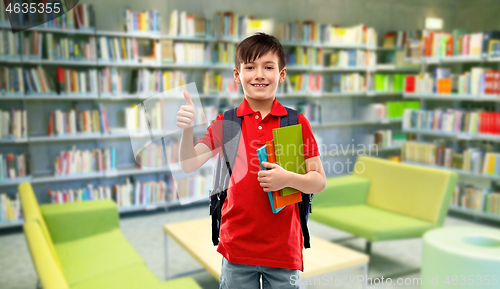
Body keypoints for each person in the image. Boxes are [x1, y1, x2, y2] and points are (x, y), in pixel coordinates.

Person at [176, 32, 327, 289]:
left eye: (268, 67)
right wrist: (187, 130)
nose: (259, 74)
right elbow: (188, 163)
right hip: (237, 247)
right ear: (237, 75)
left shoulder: (296, 122)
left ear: (281, 74)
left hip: (284, 250)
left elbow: (319, 181)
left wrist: (287, 178)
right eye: (250, 67)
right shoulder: (227, 123)